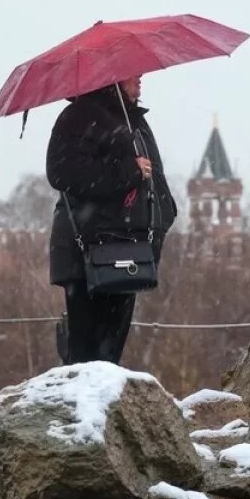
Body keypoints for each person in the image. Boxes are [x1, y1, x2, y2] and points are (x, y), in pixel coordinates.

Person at [45, 75, 177, 365]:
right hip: (90, 254)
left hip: (127, 252)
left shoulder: (133, 121)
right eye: (133, 73)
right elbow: (62, 172)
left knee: (109, 357)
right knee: (86, 358)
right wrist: (127, 171)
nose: (140, 77)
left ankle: (101, 409)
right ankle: (79, 409)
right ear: (112, 78)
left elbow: (153, 180)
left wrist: (165, 214)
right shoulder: (78, 117)